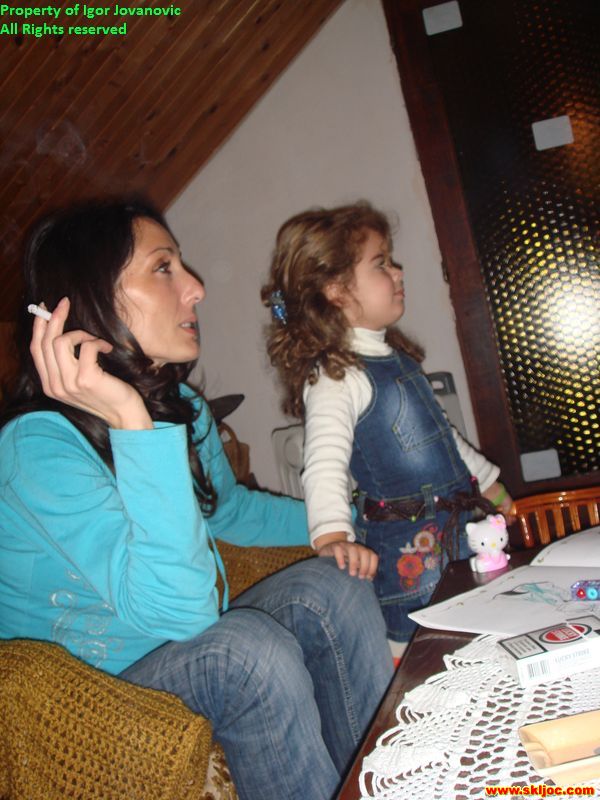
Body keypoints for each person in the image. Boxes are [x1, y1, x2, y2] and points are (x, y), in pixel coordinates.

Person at [0, 198, 394, 800]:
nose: (196, 288)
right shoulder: (37, 450)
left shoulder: (181, 409)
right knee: (245, 654)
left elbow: (229, 511)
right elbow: (185, 615)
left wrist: (354, 524)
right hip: (91, 695)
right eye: (163, 268)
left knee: (339, 580)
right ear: (91, 299)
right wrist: (132, 422)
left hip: (179, 648)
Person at [262, 202, 514, 646]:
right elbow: (323, 463)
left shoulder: (398, 360)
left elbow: (444, 438)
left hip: (459, 533)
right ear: (336, 290)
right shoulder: (337, 375)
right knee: (425, 650)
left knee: (482, 634)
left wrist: (490, 484)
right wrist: (332, 536)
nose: (397, 272)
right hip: (410, 557)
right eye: (381, 264)